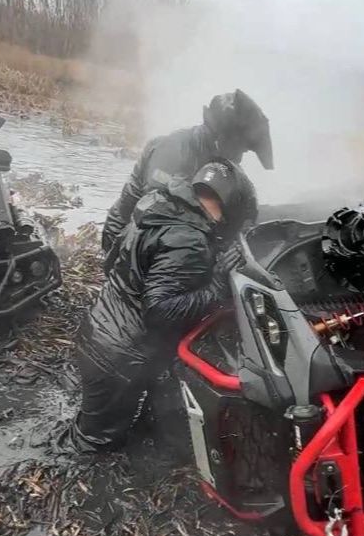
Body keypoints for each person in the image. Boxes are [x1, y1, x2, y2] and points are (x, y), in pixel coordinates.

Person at [73, 159, 257, 452]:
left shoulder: (158, 203)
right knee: (94, 446)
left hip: (102, 332)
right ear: (232, 207)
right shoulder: (189, 241)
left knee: (128, 423)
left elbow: (113, 259)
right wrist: (217, 285)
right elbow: (161, 311)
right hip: (120, 357)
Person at [100, 90, 272, 262]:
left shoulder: (222, 160)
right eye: (241, 147)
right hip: (128, 237)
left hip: (171, 237)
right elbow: (156, 211)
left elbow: (242, 199)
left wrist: (246, 222)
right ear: (223, 138)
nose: (241, 155)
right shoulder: (173, 149)